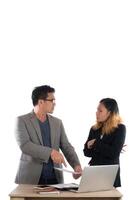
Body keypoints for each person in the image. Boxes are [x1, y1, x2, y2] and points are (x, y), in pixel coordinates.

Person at [15, 85, 82, 185]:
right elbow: (25, 146)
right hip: (30, 179)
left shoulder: (57, 122)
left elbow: (66, 146)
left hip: (54, 180)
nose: (54, 104)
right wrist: (51, 152)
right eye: (52, 100)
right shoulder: (22, 120)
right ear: (41, 102)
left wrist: (76, 165)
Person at [83, 98, 126, 187]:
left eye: (100, 111)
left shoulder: (120, 128)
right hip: (93, 173)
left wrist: (95, 144)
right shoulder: (94, 129)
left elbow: (114, 153)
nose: (96, 113)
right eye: (97, 110)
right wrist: (89, 145)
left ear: (109, 113)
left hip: (110, 175)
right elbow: (86, 153)